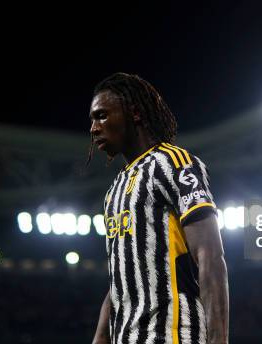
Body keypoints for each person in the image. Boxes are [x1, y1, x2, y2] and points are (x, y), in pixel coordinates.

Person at [88, 72, 229, 344]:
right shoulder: (114, 190)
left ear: (135, 113)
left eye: (102, 116)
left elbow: (210, 255)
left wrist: (219, 341)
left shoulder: (174, 163)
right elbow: (120, 279)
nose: (94, 128)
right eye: (92, 119)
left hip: (173, 335)